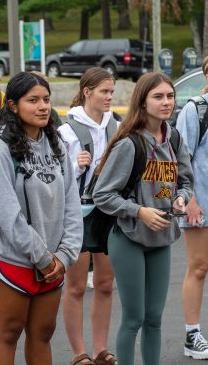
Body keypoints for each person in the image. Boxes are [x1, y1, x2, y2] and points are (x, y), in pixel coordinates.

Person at [0, 71, 83, 364]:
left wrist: (64, 256)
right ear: (13, 106)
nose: (43, 107)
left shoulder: (56, 144)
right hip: (14, 260)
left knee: (43, 333)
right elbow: (5, 214)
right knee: (7, 333)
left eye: (47, 100)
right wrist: (42, 257)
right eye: (32, 100)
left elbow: (71, 205)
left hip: (54, 263)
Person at [93, 72, 194, 365]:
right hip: (128, 237)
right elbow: (103, 195)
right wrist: (139, 211)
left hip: (162, 237)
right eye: (158, 97)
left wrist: (181, 199)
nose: (166, 103)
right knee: (134, 317)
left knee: (154, 318)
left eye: (170, 96)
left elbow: (185, 182)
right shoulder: (129, 144)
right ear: (143, 101)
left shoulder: (174, 137)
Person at [58, 67, 118, 365]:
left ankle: (100, 349)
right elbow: (53, 177)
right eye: (104, 92)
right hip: (78, 212)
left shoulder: (116, 126)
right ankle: (79, 353)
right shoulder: (66, 130)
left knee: (106, 284)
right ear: (87, 92)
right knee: (77, 285)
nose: (109, 97)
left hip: (108, 211)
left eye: (111, 91)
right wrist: (75, 165)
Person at [176, 56, 208, 360]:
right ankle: (192, 334)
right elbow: (181, 156)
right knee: (199, 267)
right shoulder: (196, 108)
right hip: (201, 202)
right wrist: (192, 200)